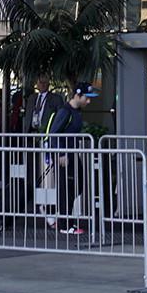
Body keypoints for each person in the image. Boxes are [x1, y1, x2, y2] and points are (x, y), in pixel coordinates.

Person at [40, 87, 91, 235]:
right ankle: (65, 224)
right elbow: (54, 133)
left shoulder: (76, 112)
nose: (88, 101)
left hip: (72, 153)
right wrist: (60, 153)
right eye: (86, 97)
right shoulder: (65, 111)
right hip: (64, 155)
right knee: (65, 188)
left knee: (77, 185)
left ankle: (58, 213)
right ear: (77, 95)